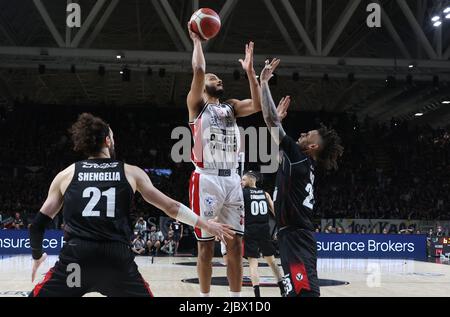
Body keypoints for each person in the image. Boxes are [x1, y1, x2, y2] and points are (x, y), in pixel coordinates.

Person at [28, 113, 234, 297]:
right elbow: (170, 207)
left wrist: (38, 256)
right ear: (108, 141)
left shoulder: (67, 174)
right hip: (116, 261)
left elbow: (37, 225)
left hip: (76, 260)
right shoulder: (130, 172)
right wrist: (206, 225)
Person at [186, 21, 263, 297]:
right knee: (205, 246)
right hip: (205, 179)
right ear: (204, 87)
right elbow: (198, 69)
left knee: (235, 246)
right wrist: (197, 42)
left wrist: (251, 73)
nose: (218, 79)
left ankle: (235, 299)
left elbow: (257, 105)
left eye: (219, 78)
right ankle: (204, 299)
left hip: (232, 179)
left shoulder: (231, 107)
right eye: (213, 78)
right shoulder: (197, 106)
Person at [259, 59, 344, 297]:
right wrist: (277, 122)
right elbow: (278, 151)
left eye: (308, 134)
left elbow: (269, 120)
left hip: (295, 237)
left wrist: (263, 83)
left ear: (313, 146)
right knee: (294, 292)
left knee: (303, 293)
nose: (303, 134)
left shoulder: (299, 159)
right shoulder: (300, 163)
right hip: (292, 235)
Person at [241, 171, 284, 297]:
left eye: (244, 180)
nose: (242, 182)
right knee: (272, 261)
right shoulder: (265, 193)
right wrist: (281, 228)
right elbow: (275, 212)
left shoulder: (243, 193)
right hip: (264, 229)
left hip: (250, 229)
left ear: (251, 180)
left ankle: (257, 294)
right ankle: (282, 288)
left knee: (253, 263)